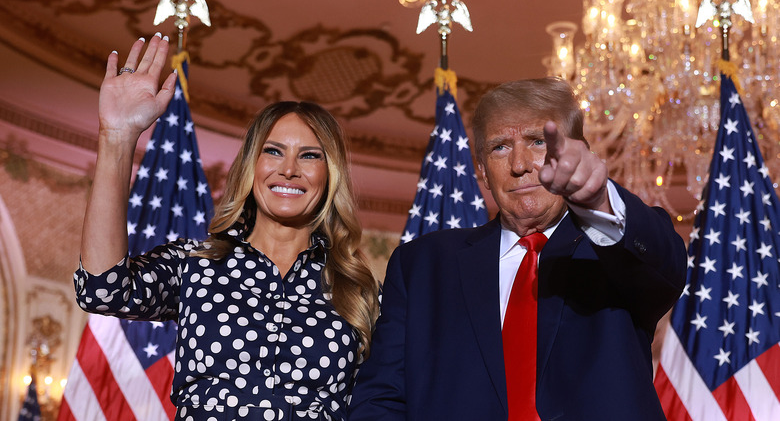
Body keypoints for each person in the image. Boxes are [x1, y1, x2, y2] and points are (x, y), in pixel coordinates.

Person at [75, 33, 380, 420]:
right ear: (252, 165)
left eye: (309, 156)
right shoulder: (195, 264)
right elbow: (102, 290)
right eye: (273, 151)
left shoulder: (361, 293)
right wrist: (117, 137)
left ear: (329, 175)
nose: (288, 169)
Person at [347, 77, 687, 420]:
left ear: (578, 153)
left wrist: (598, 198)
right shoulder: (423, 266)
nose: (520, 165)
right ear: (481, 169)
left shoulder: (613, 247)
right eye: (500, 147)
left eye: (538, 142)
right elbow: (380, 398)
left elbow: (666, 265)